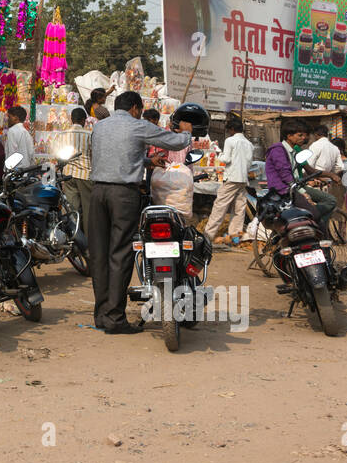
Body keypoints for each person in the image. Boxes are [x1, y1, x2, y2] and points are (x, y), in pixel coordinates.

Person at [89, 91, 193, 334]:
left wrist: (146, 162)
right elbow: (176, 142)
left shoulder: (100, 127)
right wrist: (186, 130)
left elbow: (113, 158)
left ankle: (102, 315)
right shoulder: (138, 126)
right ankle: (115, 318)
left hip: (98, 193)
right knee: (120, 254)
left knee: (99, 255)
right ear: (135, 108)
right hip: (123, 195)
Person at [202, 115, 252, 246]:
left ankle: (208, 235)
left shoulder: (230, 141)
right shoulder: (249, 144)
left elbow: (226, 159)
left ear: (232, 129)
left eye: (229, 130)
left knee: (220, 207)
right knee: (239, 209)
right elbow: (248, 162)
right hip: (242, 179)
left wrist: (218, 154)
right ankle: (234, 237)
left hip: (232, 178)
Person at [56, 106, 93, 237]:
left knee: (72, 209)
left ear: (71, 120)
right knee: (88, 210)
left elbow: (58, 157)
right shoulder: (89, 135)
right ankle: (88, 240)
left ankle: (74, 238)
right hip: (86, 175)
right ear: (84, 120)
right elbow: (94, 155)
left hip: (68, 175)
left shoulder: (62, 135)